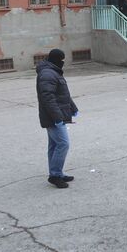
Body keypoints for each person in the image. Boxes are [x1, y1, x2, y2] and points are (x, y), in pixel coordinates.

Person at [36, 49, 78, 189]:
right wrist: (57, 118)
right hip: (53, 117)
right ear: (56, 59)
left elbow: (62, 94)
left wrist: (73, 107)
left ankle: (57, 173)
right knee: (63, 144)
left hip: (56, 115)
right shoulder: (48, 74)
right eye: (62, 60)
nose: (63, 62)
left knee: (54, 145)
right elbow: (48, 98)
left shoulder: (53, 71)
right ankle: (54, 175)